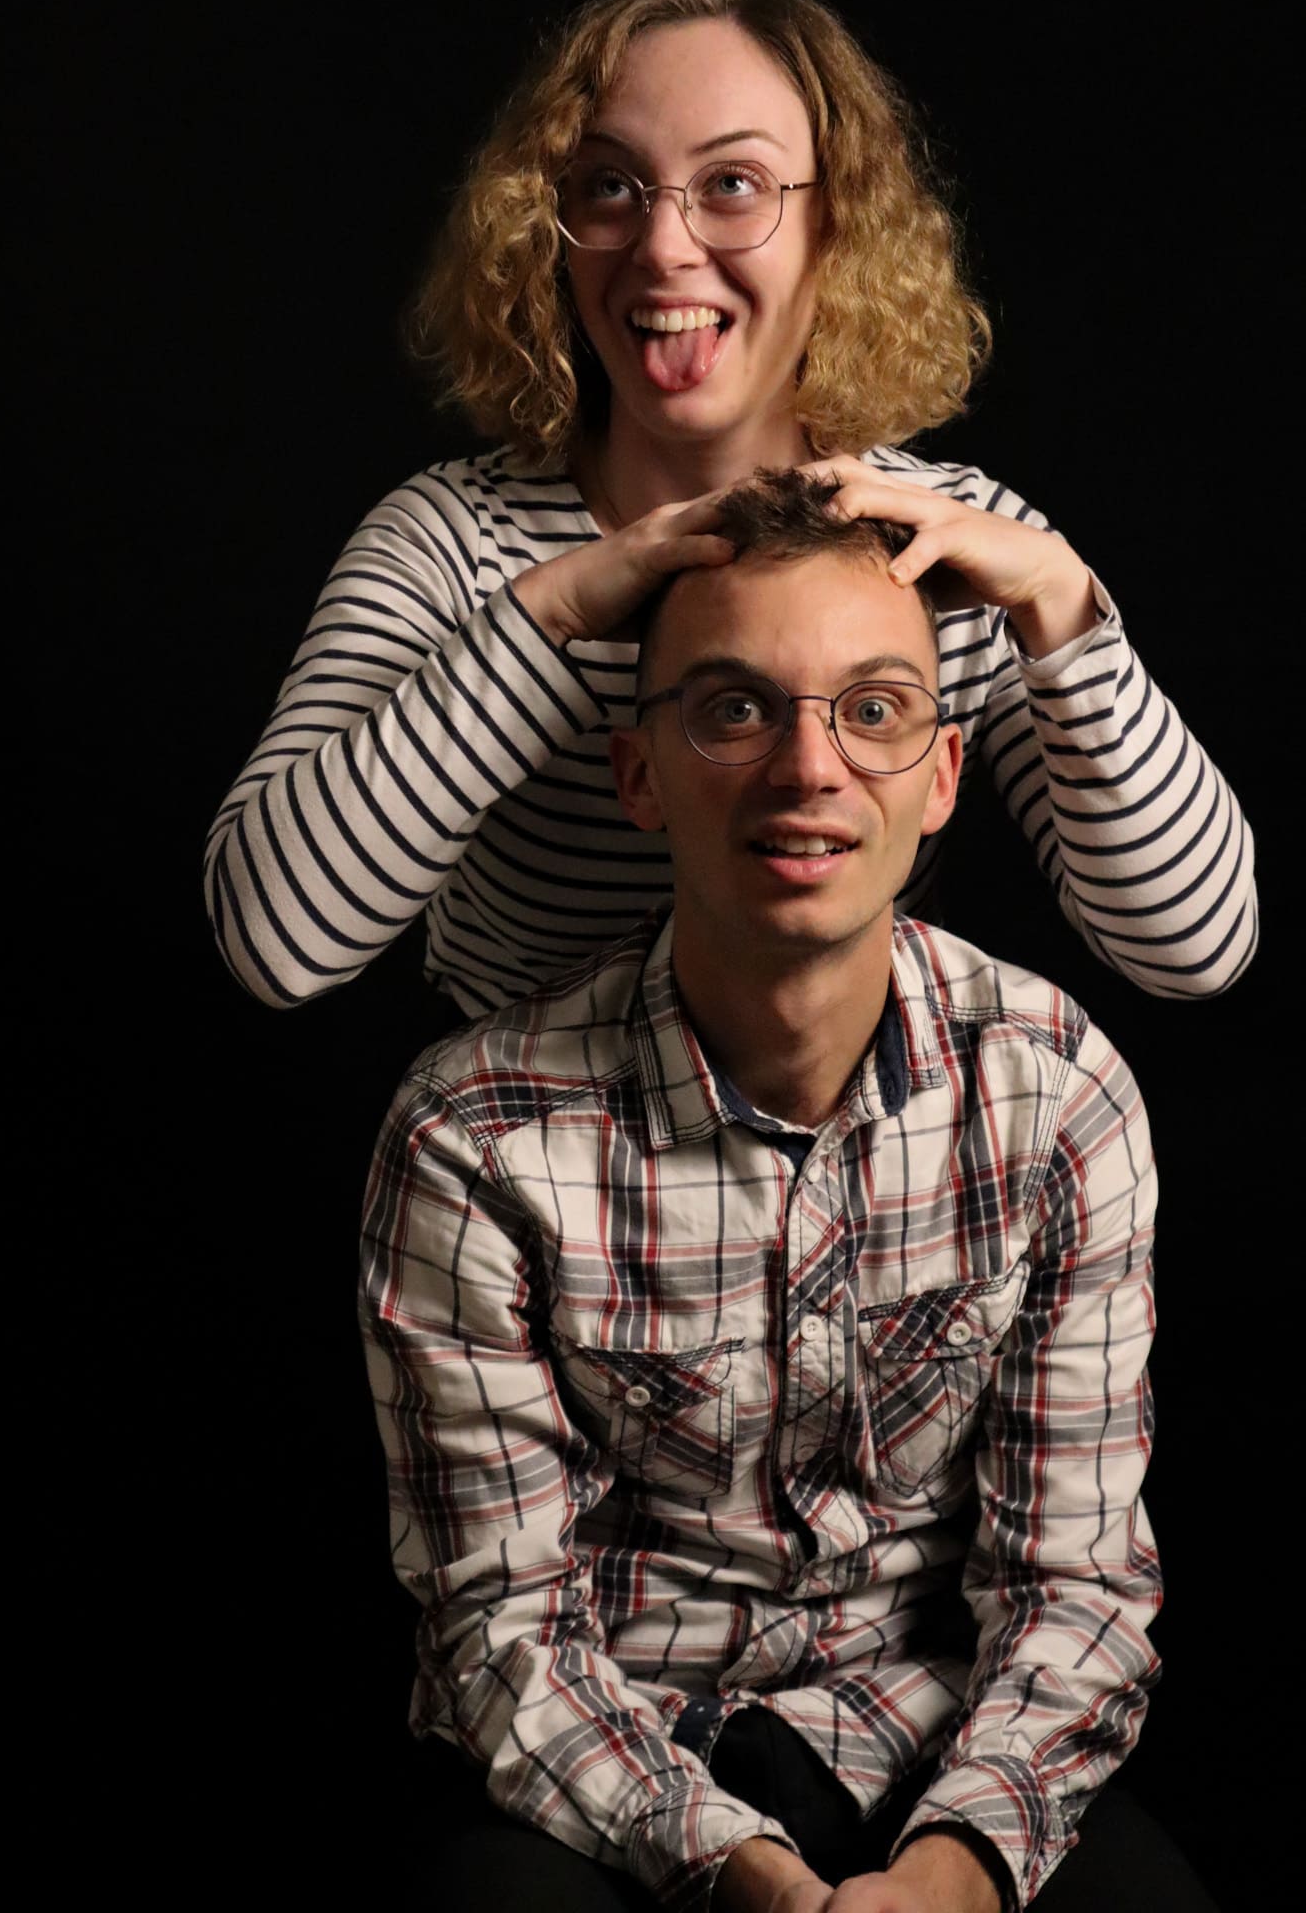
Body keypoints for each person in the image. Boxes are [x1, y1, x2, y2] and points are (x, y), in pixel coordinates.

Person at [359, 472, 1214, 1911]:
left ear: (941, 775)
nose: (808, 770)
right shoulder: (477, 1135)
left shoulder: (1056, 1092)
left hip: (934, 1755)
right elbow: (501, 1631)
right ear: (640, 775)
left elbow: (1073, 1590)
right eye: (735, 709)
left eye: (873, 710)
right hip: (612, 1774)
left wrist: (949, 1874)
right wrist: (746, 1875)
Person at [205, 0, 1255, 1020]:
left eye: (733, 184)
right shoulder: (451, 542)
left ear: (835, 225)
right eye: (610, 185)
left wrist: (1066, 611)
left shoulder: (950, 546)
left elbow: (1195, 944)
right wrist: (551, 616)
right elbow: (276, 942)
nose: (663, 247)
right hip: (527, 1152)